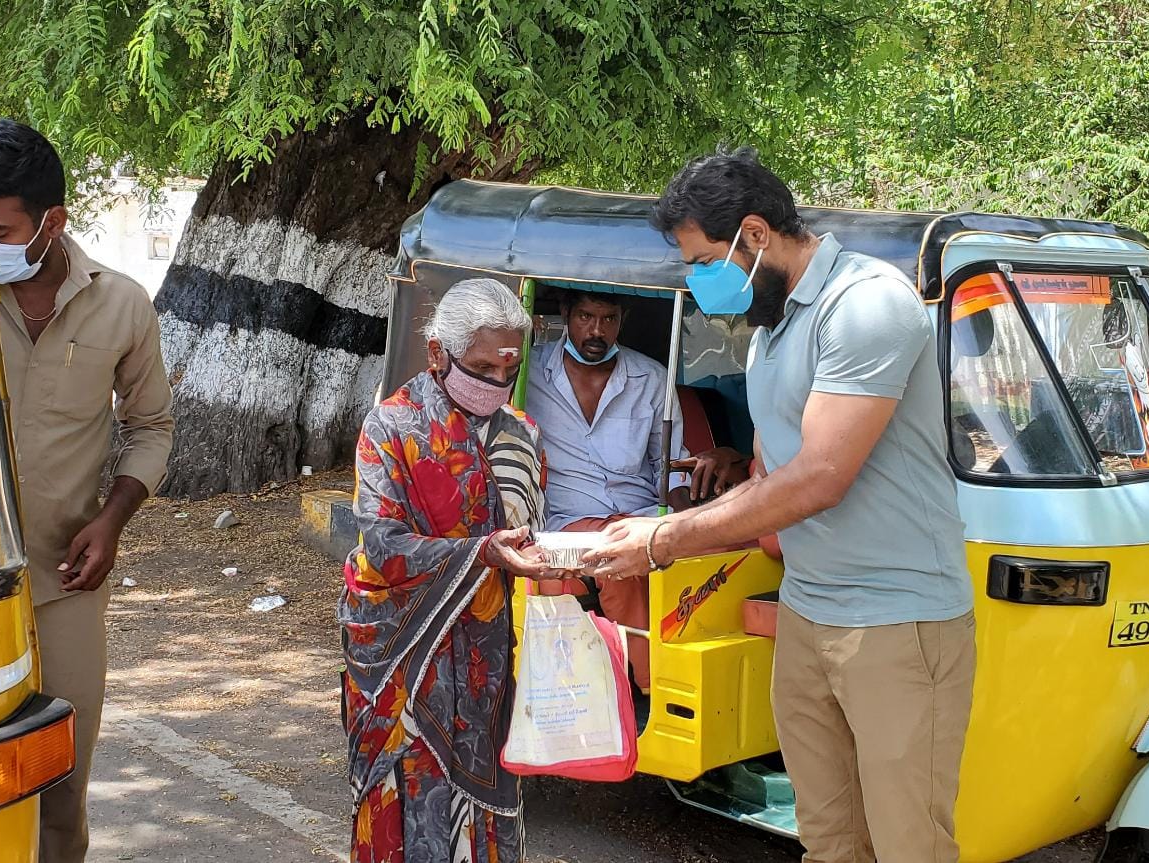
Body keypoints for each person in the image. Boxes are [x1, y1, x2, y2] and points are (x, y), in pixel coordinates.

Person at [587, 147, 975, 863]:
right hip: (809, 611)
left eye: (704, 261)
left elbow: (820, 476)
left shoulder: (865, 305)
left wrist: (664, 538)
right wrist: (721, 478)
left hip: (896, 620)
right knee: (827, 840)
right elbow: (775, 469)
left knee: (910, 845)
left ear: (756, 234)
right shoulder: (770, 330)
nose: (697, 280)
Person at [0, 120, 173, 862]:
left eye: (2, 228)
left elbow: (153, 428)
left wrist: (113, 520)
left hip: (65, 587)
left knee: (60, 784)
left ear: (53, 222)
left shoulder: (123, 306)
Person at [338, 278, 553, 863]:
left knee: (482, 807)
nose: (494, 383)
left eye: (507, 369)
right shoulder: (391, 428)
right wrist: (480, 553)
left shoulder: (522, 437)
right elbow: (382, 546)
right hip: (400, 655)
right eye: (480, 367)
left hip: (484, 656)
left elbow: (528, 537)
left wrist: (564, 559)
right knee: (404, 799)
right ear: (438, 353)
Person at [525, 290, 743, 691]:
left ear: (622, 319)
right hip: (569, 520)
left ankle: (717, 685)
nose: (596, 330)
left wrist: (687, 520)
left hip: (640, 512)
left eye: (608, 319)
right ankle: (649, 691)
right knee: (620, 559)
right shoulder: (530, 374)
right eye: (586, 316)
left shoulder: (651, 378)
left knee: (718, 548)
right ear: (566, 313)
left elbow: (671, 465)